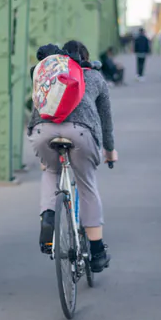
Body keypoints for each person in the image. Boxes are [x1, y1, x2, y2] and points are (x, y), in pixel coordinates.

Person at [28, 40, 117, 272]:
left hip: (43, 131)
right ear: (86, 58)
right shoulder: (95, 77)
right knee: (86, 184)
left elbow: (36, 108)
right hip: (80, 133)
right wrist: (110, 150)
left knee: (50, 171)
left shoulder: (49, 72)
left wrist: (39, 145)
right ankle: (96, 251)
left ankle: (48, 220)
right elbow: (106, 121)